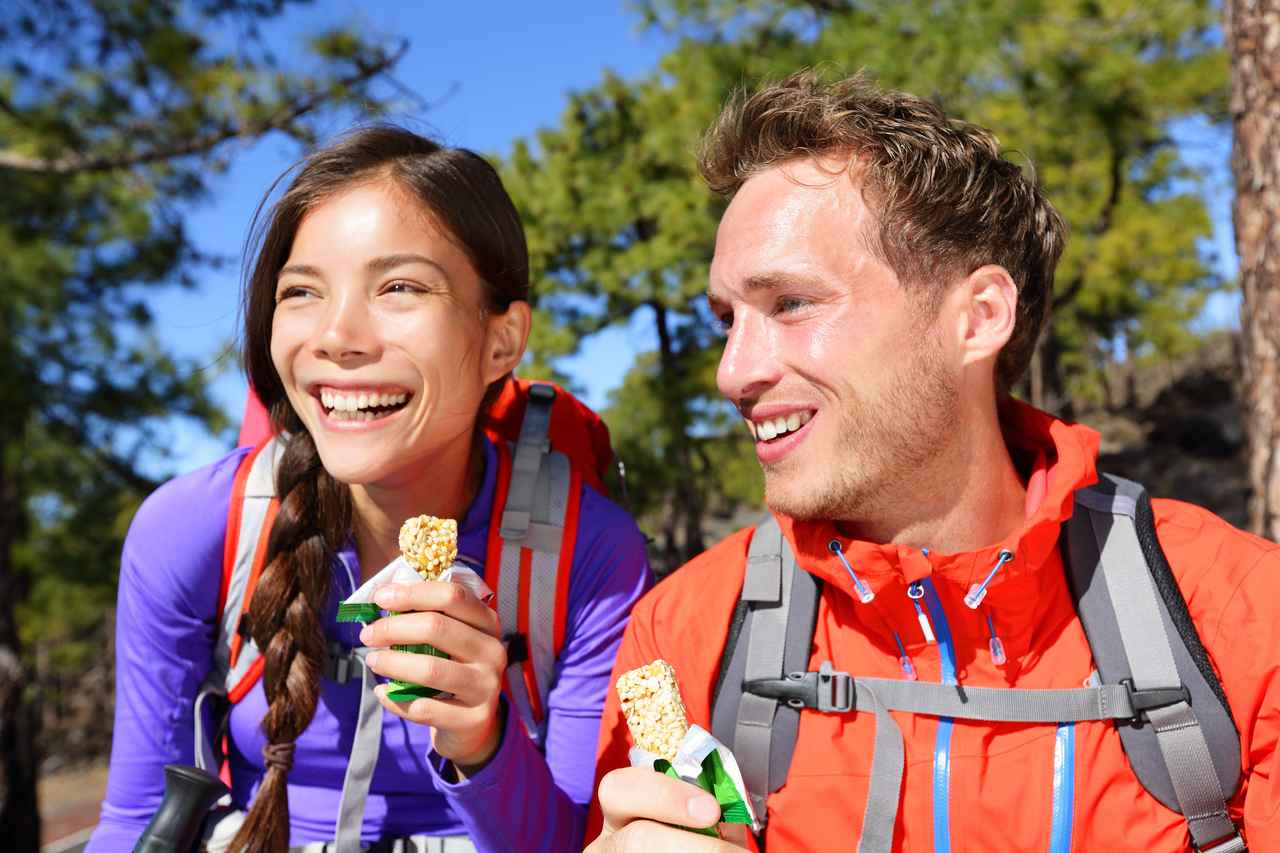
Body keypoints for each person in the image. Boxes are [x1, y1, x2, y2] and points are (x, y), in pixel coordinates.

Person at [586, 72, 1280, 852]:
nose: (732, 370)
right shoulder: (684, 633)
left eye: (791, 303)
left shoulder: (1242, 621)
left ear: (978, 317)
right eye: (727, 318)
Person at [87, 126, 651, 852]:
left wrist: (483, 739)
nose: (337, 334)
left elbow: (580, 840)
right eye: (302, 292)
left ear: (502, 341)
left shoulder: (587, 553)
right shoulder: (194, 529)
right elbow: (138, 820)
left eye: (399, 287)